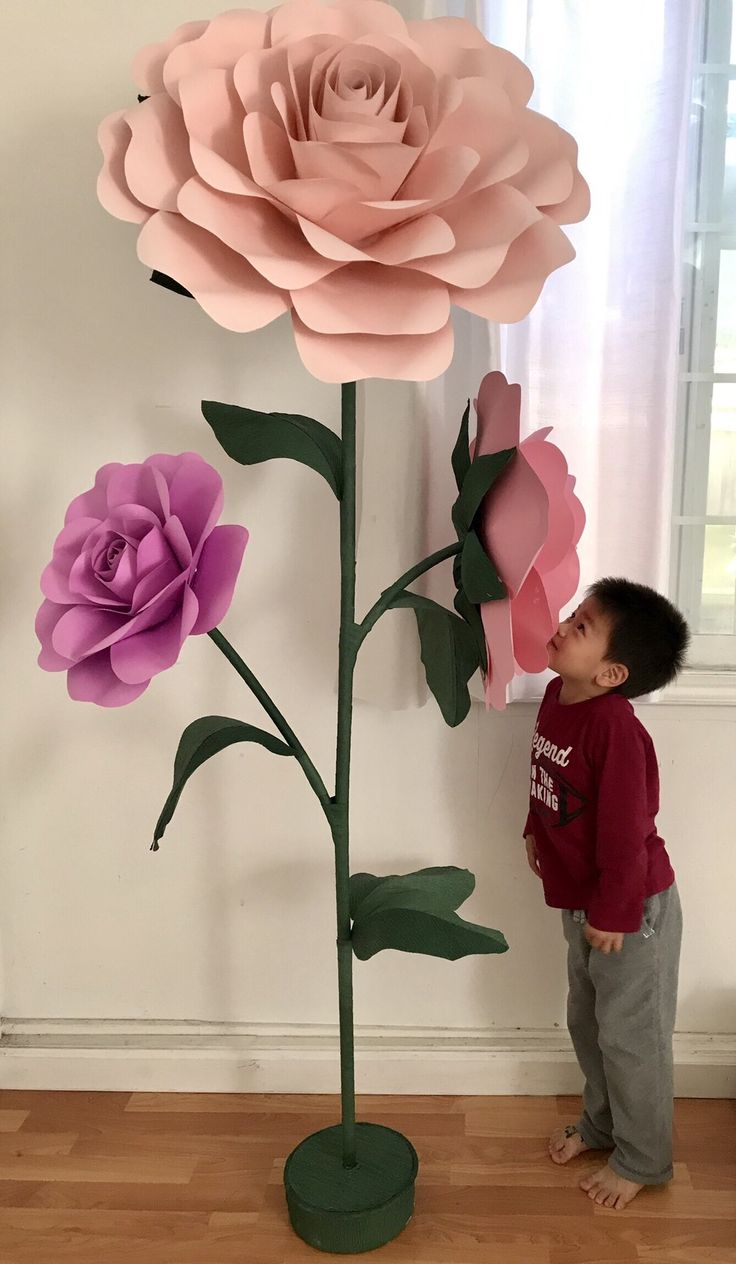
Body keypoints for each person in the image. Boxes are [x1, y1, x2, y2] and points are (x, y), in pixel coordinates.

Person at [524, 577, 689, 1210]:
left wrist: (616, 912)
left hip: (630, 913)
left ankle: (645, 1160)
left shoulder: (617, 732)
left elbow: (626, 833)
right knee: (589, 1023)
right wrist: (533, 826)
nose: (563, 625)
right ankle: (603, 1126)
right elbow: (545, 772)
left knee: (631, 1038)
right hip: (583, 905)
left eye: (582, 627)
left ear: (612, 674)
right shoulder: (556, 696)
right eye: (573, 615)